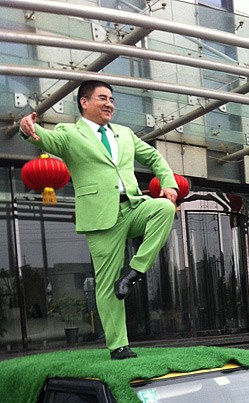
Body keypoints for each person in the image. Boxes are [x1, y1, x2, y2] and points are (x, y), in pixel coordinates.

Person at [19, 80, 178, 360]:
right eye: (103, 98)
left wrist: (168, 183)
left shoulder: (125, 134)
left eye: (112, 100)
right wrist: (28, 129)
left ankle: (135, 271)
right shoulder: (71, 133)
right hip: (100, 217)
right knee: (106, 284)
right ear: (84, 102)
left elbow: (153, 156)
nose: (109, 104)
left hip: (132, 206)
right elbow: (47, 139)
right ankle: (119, 346)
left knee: (164, 209)